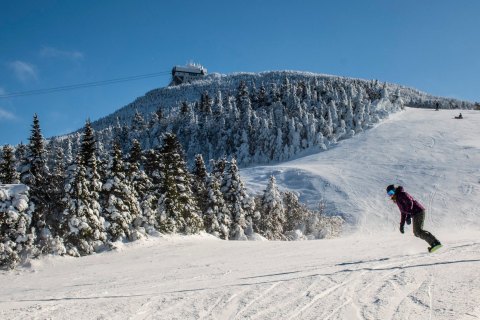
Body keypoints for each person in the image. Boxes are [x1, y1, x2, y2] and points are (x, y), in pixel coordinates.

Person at [386, 184, 442, 252]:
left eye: (391, 192)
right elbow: (403, 212)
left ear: (394, 190)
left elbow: (410, 202)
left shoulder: (402, 194)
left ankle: (435, 242)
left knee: (418, 231)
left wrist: (409, 215)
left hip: (418, 211)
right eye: (389, 193)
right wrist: (402, 225)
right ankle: (434, 243)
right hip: (415, 213)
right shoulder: (397, 199)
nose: (390, 195)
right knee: (416, 233)